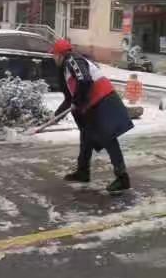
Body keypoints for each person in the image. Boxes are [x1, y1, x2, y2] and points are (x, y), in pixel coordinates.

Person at [52, 39, 134, 194]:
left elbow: (85, 81)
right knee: (86, 136)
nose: (53, 58)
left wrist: (77, 101)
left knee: (108, 138)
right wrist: (57, 115)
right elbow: (71, 97)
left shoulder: (73, 60)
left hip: (103, 100)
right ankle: (83, 171)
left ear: (61, 55)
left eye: (54, 55)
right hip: (93, 103)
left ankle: (123, 178)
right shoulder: (66, 67)